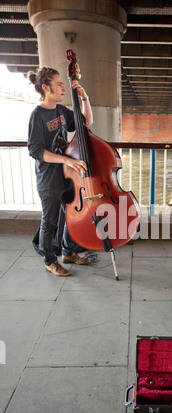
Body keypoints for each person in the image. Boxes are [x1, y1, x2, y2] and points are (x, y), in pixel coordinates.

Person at [27, 66, 93, 276]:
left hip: (67, 175)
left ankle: (67, 252)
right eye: (59, 84)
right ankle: (49, 260)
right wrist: (66, 159)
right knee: (50, 221)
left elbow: (86, 122)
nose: (64, 88)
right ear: (46, 88)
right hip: (49, 179)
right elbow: (36, 150)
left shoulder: (61, 111)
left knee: (67, 215)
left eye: (63, 84)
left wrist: (85, 98)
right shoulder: (37, 115)